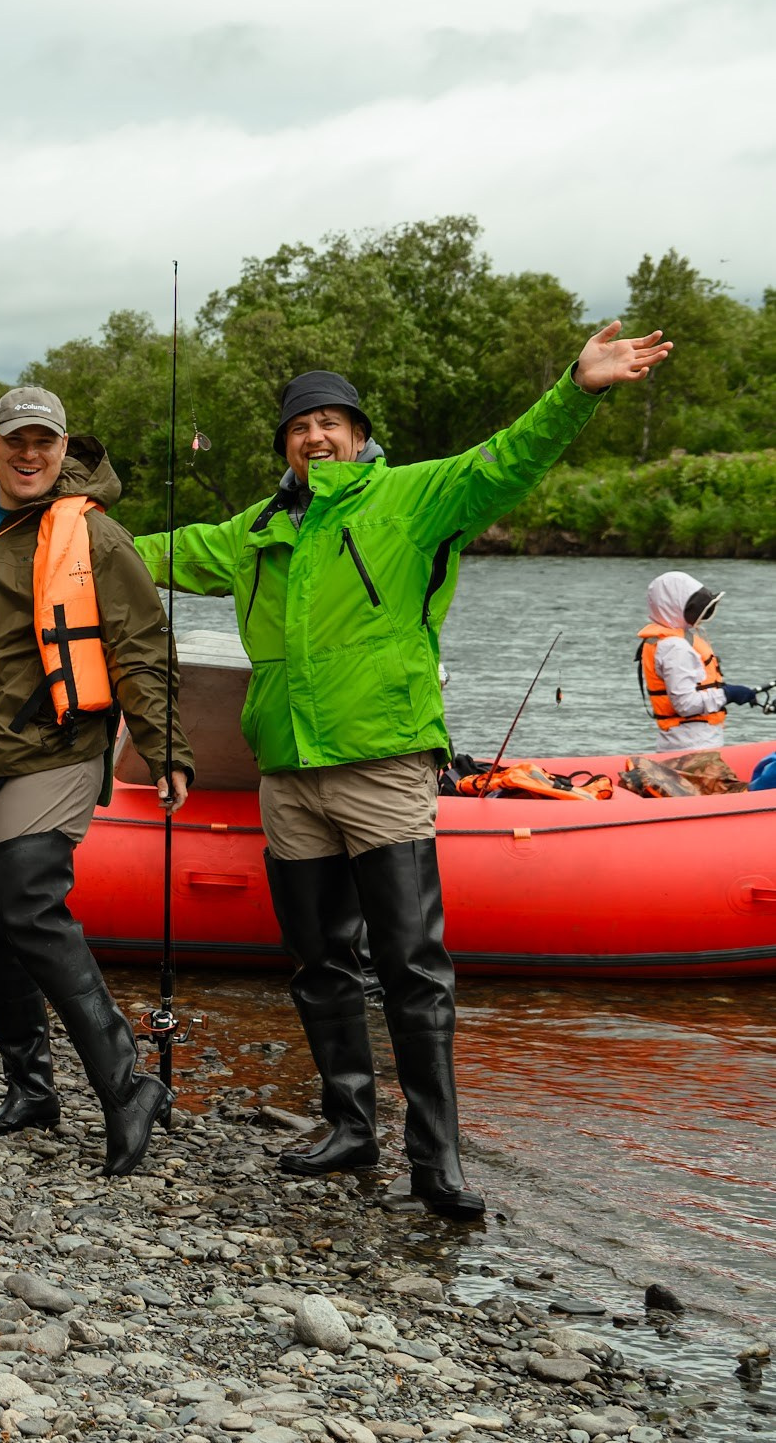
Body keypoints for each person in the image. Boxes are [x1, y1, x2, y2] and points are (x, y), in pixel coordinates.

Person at [136, 323, 671, 1218]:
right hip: (289, 774)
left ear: (358, 433)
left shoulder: (414, 497)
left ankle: (438, 1158)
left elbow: (508, 459)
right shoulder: (253, 531)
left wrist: (578, 388)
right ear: (285, 446)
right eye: (300, 428)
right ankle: (350, 1125)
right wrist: (62, 527)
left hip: (382, 762)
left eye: (332, 423)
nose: (316, 437)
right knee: (317, 960)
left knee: (413, 965)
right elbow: (145, 555)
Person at [0, 386, 189, 1178]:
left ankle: (125, 1083)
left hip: (56, 745)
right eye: (16, 440)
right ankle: (30, 1086)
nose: (30, 454)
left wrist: (165, 746)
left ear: (65, 447)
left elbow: (142, 645)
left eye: (45, 441)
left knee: (29, 899)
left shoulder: (96, 536)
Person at [638, 571, 754, 751]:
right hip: (692, 746)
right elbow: (686, 704)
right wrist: (727, 694)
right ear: (674, 605)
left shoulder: (667, 642)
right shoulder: (675, 647)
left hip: (685, 742)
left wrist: (724, 691)